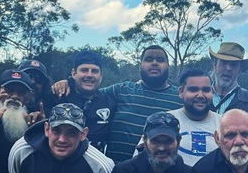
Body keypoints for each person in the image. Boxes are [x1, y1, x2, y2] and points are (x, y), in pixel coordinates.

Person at [53, 45, 181, 164]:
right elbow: (89, 91)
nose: (154, 63)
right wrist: (69, 83)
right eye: (149, 59)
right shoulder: (121, 90)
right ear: (140, 65)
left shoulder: (180, 97)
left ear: (168, 65)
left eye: (160, 60)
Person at [56, 50, 116, 154]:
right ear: (74, 74)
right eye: (84, 70)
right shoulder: (57, 96)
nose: (89, 75)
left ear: (101, 76)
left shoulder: (109, 103)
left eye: (95, 71)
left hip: (94, 165)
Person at [168, 68, 221, 166]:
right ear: (181, 92)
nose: (200, 95)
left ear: (212, 92)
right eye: (193, 89)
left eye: (206, 90)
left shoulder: (224, 124)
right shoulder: (166, 121)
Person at [210, 42, 248, 114]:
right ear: (215, 64)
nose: (228, 68)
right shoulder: (200, 96)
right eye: (224, 62)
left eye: (233, 64)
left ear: (240, 69)